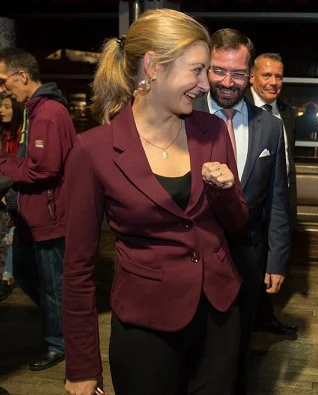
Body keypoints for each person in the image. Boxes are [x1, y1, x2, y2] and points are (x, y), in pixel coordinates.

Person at [62, 10, 248, 395]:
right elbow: (78, 269)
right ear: (153, 66)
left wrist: (226, 191)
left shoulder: (212, 131)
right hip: (146, 327)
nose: (204, 84)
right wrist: (82, 366)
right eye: (196, 70)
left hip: (219, 317)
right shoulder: (94, 150)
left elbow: (236, 223)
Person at [192, 29, 291, 395]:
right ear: (206, 71)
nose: (228, 82)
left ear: (249, 73)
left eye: (237, 73)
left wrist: (277, 260)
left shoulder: (271, 127)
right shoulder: (185, 115)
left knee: (238, 347)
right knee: (197, 344)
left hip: (248, 257)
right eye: (219, 71)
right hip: (195, 256)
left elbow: (278, 198)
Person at [0, 47, 77, 371]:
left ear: (22, 76)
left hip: (50, 215)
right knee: (26, 273)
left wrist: (4, 168)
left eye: (4, 80)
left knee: (52, 283)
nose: (3, 88)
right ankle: (59, 327)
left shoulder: (47, 113)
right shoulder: (36, 109)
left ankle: (59, 342)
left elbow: (43, 169)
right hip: (36, 214)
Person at [245, 52, 298, 336]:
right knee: (250, 266)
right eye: (267, 75)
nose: (274, 82)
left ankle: (264, 317)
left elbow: (287, 163)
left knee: (273, 265)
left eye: (278, 76)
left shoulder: (286, 113)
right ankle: (246, 322)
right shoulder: (240, 110)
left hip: (281, 204)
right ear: (252, 76)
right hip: (251, 208)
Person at [0, 94, 22, 301]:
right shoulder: (3, 134)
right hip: (3, 191)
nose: (1, 110)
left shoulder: (20, 134)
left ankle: (6, 279)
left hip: (13, 193)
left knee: (10, 236)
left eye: (7, 106)